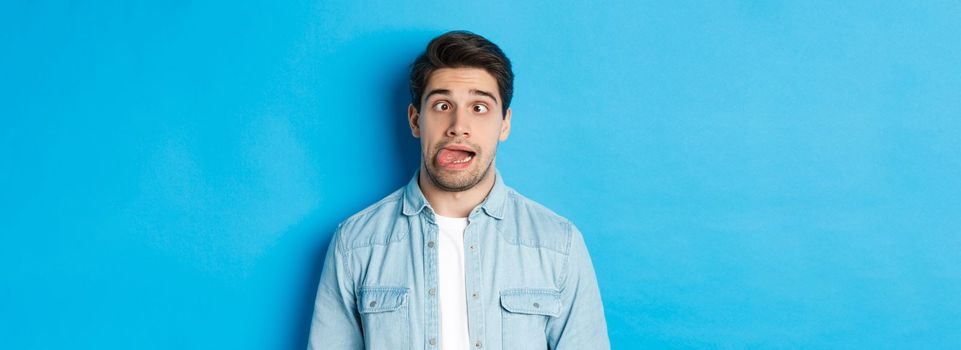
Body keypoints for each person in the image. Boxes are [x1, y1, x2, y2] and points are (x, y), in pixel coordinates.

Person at [307, 30, 609, 350]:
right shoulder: (356, 244)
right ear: (415, 120)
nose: (458, 125)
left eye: (479, 107)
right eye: (441, 105)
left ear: (504, 123)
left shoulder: (557, 244)